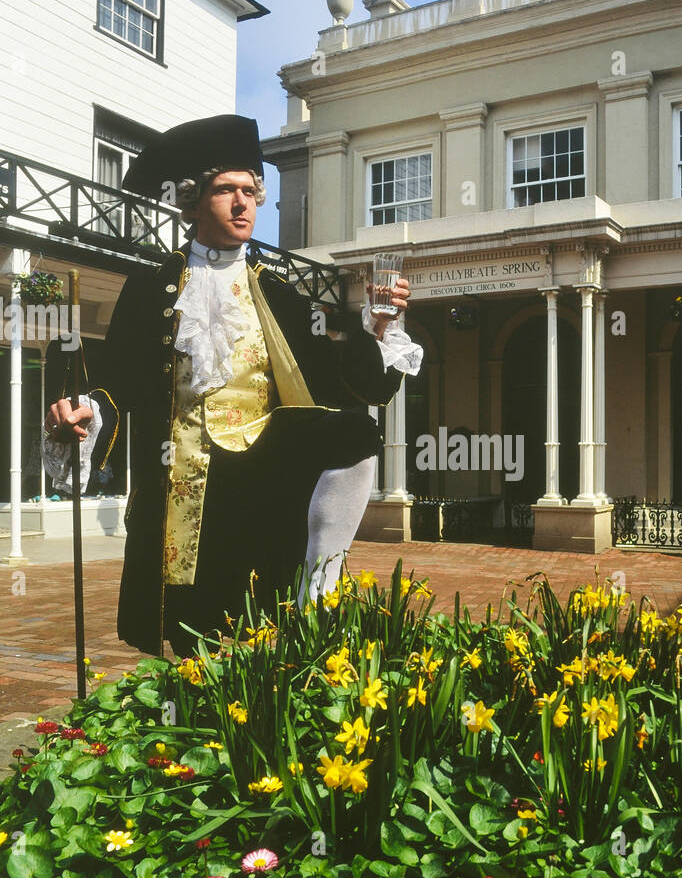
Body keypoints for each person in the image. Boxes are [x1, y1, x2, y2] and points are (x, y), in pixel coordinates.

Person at [42, 115, 422, 657]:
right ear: (194, 203)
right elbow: (116, 379)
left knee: (352, 437)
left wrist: (379, 328)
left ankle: (320, 588)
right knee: (194, 627)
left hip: (262, 470)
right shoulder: (153, 287)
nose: (242, 203)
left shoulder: (279, 292)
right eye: (226, 191)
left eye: (250, 191)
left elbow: (344, 377)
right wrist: (85, 413)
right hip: (185, 477)